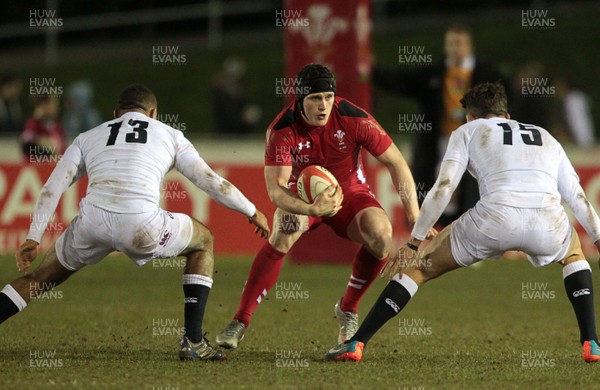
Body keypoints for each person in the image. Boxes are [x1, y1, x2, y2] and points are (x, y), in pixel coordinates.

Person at [325, 82, 600, 363]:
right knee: (575, 255)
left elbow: (443, 188)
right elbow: (577, 196)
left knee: (419, 268)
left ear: (470, 116)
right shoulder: (545, 136)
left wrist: (414, 242)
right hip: (547, 222)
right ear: (506, 114)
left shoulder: (467, 131)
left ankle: (357, 343)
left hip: (494, 221)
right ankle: (591, 342)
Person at [0, 84, 270, 362]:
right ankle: (193, 341)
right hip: (142, 225)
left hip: (92, 224)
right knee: (203, 241)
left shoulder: (88, 137)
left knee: (38, 279)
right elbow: (211, 182)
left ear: (116, 113)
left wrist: (33, 237)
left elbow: (52, 188)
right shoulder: (170, 134)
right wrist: (251, 210)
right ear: (153, 112)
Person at [215, 64, 435, 349]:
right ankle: (240, 321)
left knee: (382, 236)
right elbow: (276, 190)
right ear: (299, 100)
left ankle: (348, 308)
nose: (324, 106)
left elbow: (396, 162)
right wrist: (311, 209)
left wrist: (414, 213)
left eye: (328, 97)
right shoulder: (282, 128)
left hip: (350, 193)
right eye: (315, 99)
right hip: (303, 196)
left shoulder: (353, 117)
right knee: (284, 228)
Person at [373, 24, 506, 226]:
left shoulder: (486, 73)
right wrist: (372, 71)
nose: (455, 48)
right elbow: (403, 81)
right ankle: (437, 238)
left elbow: (507, 97)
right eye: (451, 43)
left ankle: (473, 239)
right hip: (441, 142)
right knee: (441, 188)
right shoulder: (434, 73)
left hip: (475, 142)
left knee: (472, 188)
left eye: (459, 43)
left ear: (469, 47)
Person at [211, 57, 261, 136]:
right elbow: (226, 116)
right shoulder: (220, 92)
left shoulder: (241, 91)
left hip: (239, 131)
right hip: (224, 132)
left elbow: (244, 109)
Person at [20, 94, 66, 162]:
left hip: (55, 167)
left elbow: (63, 149)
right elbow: (25, 143)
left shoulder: (58, 127)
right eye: (52, 104)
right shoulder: (33, 124)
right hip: (36, 167)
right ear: (43, 105)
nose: (56, 107)